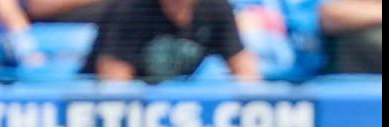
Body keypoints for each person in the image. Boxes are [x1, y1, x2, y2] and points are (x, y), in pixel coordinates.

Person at [85, 0, 259, 82]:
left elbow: (243, 66)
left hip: (178, 109)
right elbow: (114, 82)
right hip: (122, 111)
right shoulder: (130, 9)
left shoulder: (215, 8)